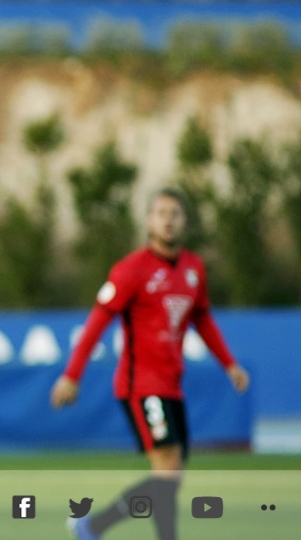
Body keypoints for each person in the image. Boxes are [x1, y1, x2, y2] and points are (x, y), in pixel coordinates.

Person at [51, 187, 250, 540]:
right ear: (148, 221)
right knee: (168, 471)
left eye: (175, 213)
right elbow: (98, 320)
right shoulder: (132, 270)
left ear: (184, 221)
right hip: (140, 383)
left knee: (171, 478)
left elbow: (201, 319)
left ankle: (92, 525)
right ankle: (97, 527)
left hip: (172, 383)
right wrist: (72, 375)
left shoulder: (193, 268)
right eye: (161, 213)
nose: (168, 220)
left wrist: (229, 363)